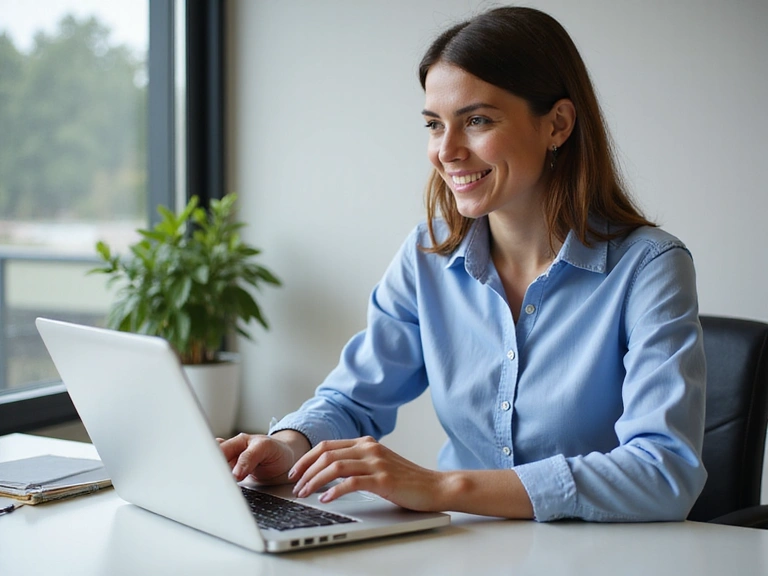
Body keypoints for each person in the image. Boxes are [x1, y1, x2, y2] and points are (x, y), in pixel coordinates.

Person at [220, 6, 707, 522]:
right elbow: (352, 399)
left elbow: (664, 471)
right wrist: (289, 445)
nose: (446, 151)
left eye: (477, 121)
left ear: (557, 124)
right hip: (466, 552)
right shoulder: (427, 255)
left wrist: (443, 487)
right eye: (434, 125)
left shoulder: (650, 267)